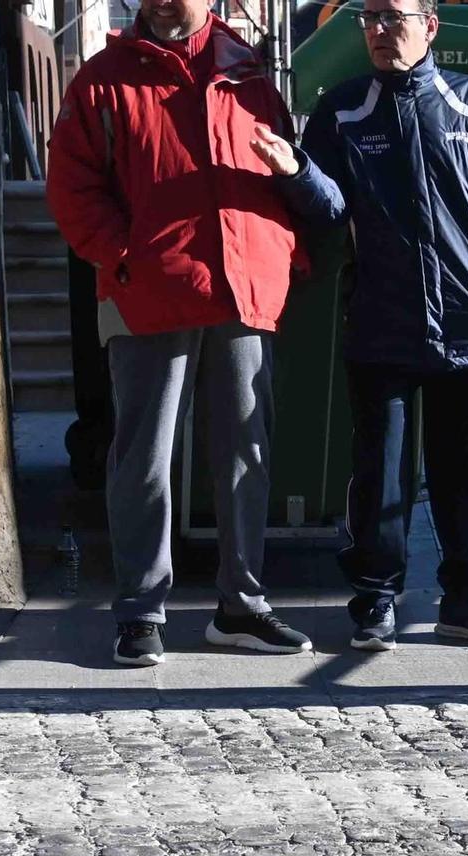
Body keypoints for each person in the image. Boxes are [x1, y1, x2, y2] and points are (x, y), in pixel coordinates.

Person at [46, 0, 331, 666]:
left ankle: (242, 606)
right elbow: (71, 187)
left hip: (243, 286)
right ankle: (141, 610)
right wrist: (124, 257)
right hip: (149, 291)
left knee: (246, 454)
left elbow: (277, 166)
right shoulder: (102, 79)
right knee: (142, 455)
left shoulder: (249, 70)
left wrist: (280, 252)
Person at [289, 0, 468, 650]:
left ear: (429, 26)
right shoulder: (343, 110)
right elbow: (326, 209)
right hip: (384, 326)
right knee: (378, 478)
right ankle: (375, 600)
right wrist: (295, 171)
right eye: (367, 17)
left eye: (391, 16)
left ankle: (466, 602)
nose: (376, 29)